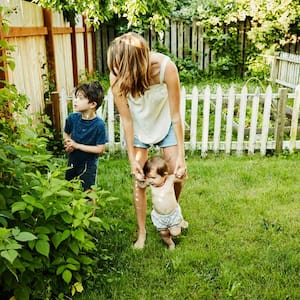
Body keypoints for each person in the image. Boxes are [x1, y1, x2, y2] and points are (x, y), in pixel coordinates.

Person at [107, 32, 187, 249]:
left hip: (165, 121)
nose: (115, 71)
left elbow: (176, 115)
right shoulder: (116, 75)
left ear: (132, 63)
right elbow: (126, 120)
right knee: (139, 177)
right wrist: (133, 158)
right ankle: (142, 232)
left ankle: (170, 215)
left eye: (119, 66)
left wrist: (181, 156)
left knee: (176, 173)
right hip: (139, 126)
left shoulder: (165, 68)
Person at [64, 81, 108, 193]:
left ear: (92, 104)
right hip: (73, 160)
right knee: (69, 187)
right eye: (76, 97)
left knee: (88, 191)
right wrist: (68, 143)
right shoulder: (72, 118)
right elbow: (66, 132)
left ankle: (90, 211)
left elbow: (100, 149)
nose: (75, 100)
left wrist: (77, 145)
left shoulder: (99, 125)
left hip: (89, 164)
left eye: (80, 98)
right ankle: (72, 209)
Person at [138, 156, 188, 250]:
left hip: (173, 214)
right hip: (159, 216)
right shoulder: (150, 183)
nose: (150, 180)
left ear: (164, 175)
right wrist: (139, 178)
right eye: (148, 177)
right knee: (163, 233)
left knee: (175, 233)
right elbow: (141, 185)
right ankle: (170, 244)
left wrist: (181, 172)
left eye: (153, 177)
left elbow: (182, 179)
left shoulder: (170, 180)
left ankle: (179, 222)